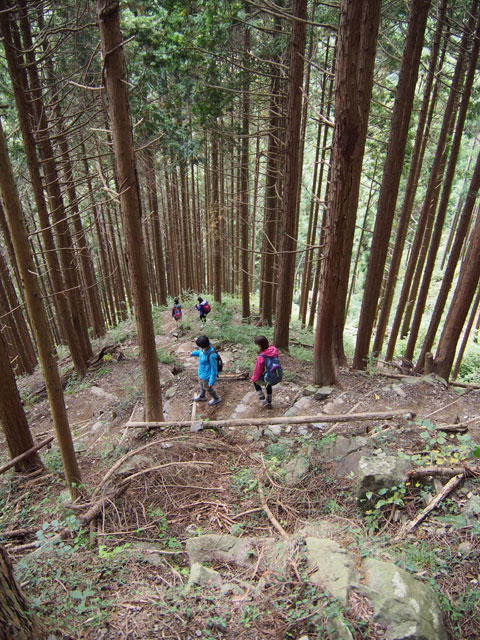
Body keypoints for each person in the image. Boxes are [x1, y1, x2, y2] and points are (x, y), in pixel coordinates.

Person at [191, 335, 222, 406]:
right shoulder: (203, 349)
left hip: (207, 376)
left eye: (200, 346)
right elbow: (199, 352)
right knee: (201, 385)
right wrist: (192, 353)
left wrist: (211, 381)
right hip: (201, 372)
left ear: (204, 345)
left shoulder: (211, 355)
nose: (200, 348)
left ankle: (216, 398)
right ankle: (202, 396)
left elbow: (214, 370)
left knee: (208, 388)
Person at [251, 335, 279, 410]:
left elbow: (258, 370)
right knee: (268, 383)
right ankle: (269, 400)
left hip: (267, 375)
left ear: (260, 345)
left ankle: (262, 399)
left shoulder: (261, 356)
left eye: (257, 345)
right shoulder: (273, 349)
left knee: (255, 381)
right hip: (274, 374)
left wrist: (254, 378)